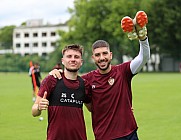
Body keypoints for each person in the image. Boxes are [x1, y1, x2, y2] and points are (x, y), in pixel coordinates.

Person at [50, 11, 150, 140]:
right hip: (104, 136)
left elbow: (143, 58)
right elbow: (68, 82)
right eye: (97, 55)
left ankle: (139, 30)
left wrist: (143, 38)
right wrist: (55, 73)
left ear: (110, 55)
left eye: (104, 53)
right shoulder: (86, 80)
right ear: (93, 58)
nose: (102, 58)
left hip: (129, 134)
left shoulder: (123, 71)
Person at [32, 44, 90, 140]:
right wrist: (39, 107)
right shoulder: (51, 80)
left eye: (76, 57)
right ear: (63, 61)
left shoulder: (84, 84)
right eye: (69, 56)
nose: (73, 59)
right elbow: (34, 112)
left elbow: (92, 109)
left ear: (81, 62)